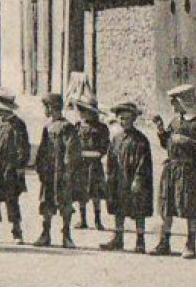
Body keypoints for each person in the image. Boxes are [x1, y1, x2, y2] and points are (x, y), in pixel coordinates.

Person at [152, 83, 196, 257]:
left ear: (184, 101)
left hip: (189, 168)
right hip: (172, 168)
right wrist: (162, 131)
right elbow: (167, 144)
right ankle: (165, 242)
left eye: (175, 101)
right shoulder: (175, 121)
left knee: (190, 206)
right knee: (167, 205)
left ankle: (190, 244)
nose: (172, 105)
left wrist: (187, 141)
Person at [102, 100, 153, 254]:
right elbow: (111, 158)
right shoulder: (116, 138)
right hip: (119, 178)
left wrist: (138, 179)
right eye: (120, 118)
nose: (123, 121)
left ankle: (140, 241)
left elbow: (144, 163)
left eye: (126, 118)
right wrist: (109, 176)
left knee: (138, 209)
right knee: (118, 207)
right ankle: (118, 238)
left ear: (133, 119)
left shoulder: (140, 140)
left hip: (134, 179)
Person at [0, 88, 32, 244]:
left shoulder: (18, 125)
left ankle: (16, 231)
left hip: (10, 169)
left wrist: (19, 166)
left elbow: (23, 148)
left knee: (11, 200)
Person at [34, 92, 77, 248]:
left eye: (45, 107)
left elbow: (70, 151)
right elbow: (42, 149)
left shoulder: (67, 127)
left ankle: (66, 235)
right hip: (48, 172)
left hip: (62, 173)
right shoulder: (47, 126)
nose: (44, 110)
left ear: (51, 107)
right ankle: (45, 234)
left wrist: (67, 171)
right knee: (46, 202)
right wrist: (39, 166)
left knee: (65, 203)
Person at [68, 92, 110, 231]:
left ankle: (97, 219)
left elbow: (105, 146)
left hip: (94, 163)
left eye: (84, 111)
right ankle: (82, 219)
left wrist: (98, 154)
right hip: (81, 163)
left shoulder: (101, 128)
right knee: (81, 192)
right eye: (80, 110)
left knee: (95, 192)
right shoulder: (77, 127)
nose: (81, 114)